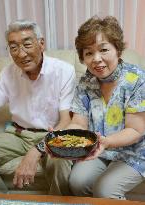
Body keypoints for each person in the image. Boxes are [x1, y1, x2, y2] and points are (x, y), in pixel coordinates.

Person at [0, 19, 76, 195]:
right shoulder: (7, 73)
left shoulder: (64, 71)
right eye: (13, 48)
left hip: (53, 134)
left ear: (41, 43)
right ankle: (3, 200)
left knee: (60, 161)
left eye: (27, 44)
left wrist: (37, 150)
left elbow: (66, 120)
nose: (21, 54)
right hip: (18, 134)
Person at [66, 16, 145, 199]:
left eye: (103, 50)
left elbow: (136, 129)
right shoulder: (86, 82)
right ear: (82, 57)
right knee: (76, 182)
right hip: (99, 149)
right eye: (88, 53)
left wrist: (106, 142)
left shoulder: (137, 80)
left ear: (117, 50)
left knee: (105, 190)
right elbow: (79, 122)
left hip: (135, 151)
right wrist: (64, 137)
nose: (97, 59)